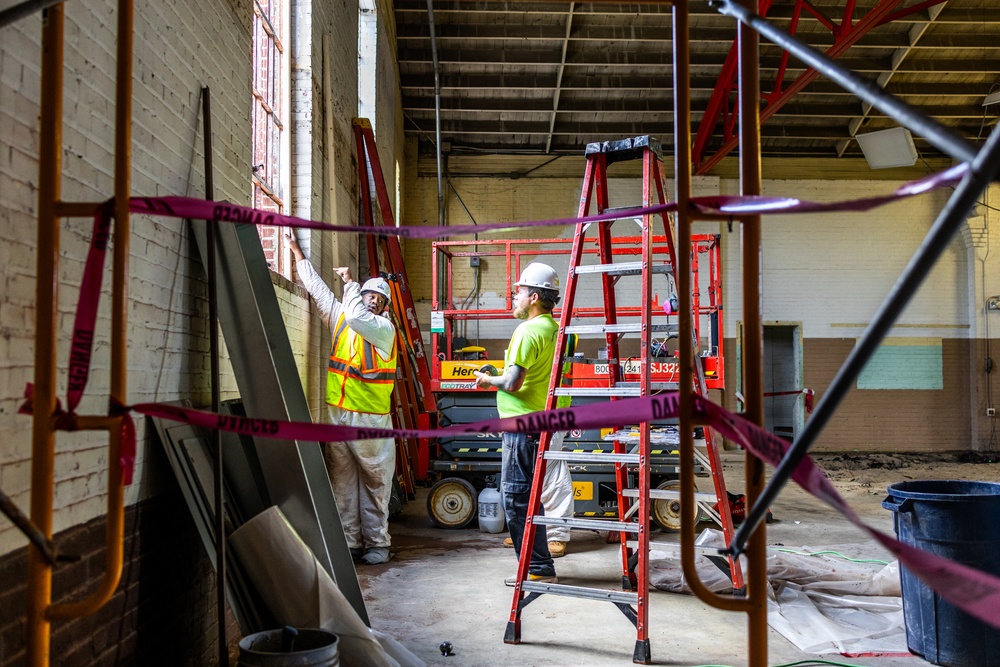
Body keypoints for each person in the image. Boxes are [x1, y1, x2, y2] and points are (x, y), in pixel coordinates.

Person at [287, 230, 398, 565]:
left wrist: (351, 284)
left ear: (385, 307)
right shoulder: (342, 319)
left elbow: (355, 315)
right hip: (339, 416)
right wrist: (296, 253)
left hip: (371, 421)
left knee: (375, 485)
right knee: (343, 484)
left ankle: (377, 542)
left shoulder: (383, 329)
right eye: (368, 295)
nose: (373, 301)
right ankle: (350, 542)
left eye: (379, 299)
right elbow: (319, 292)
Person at [474, 262, 569, 585]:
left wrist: (489, 381)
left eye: (519, 291)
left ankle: (539, 569)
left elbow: (513, 383)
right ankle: (539, 564)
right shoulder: (558, 331)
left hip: (522, 426)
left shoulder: (527, 331)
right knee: (532, 497)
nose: (514, 296)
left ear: (533, 296)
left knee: (516, 498)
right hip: (545, 422)